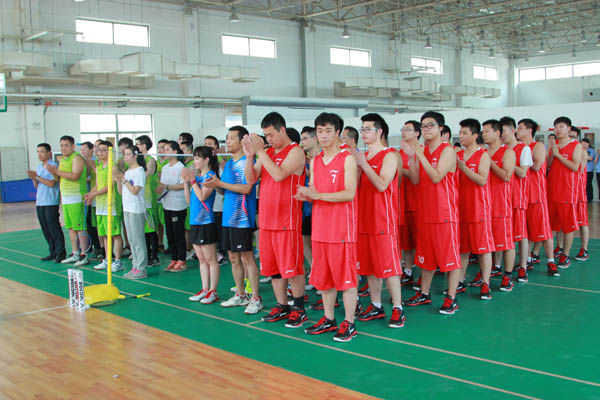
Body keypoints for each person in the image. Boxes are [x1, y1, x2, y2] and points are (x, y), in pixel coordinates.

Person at [296, 112, 359, 342]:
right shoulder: (315, 161)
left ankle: (349, 323)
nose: (323, 136)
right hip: (320, 228)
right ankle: (329, 318)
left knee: (346, 279)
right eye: (320, 131)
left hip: (342, 229)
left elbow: (349, 193)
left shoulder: (347, 158)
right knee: (325, 279)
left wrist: (318, 195)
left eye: (328, 131)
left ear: (337, 133)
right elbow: (315, 191)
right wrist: (307, 195)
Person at [243, 112, 307, 327]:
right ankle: (282, 305)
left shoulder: (295, 151)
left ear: (282, 130)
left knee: (292, 267)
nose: (268, 139)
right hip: (267, 221)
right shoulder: (268, 153)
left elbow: (279, 175)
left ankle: (299, 308)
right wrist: (250, 156)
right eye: (265, 136)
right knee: (274, 269)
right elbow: (250, 179)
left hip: (287, 221)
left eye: (271, 135)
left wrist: (261, 151)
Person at [403, 111, 461, 315]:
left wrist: (419, 154)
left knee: (449, 258)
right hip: (425, 212)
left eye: (430, 125)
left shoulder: (448, 151)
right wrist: (412, 158)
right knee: (425, 257)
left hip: (444, 213)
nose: (426, 129)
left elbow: (436, 177)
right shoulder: (423, 151)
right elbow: (416, 179)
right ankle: (424, 293)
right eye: (423, 126)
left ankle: (451, 298)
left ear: (440, 128)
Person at [352, 113, 405, 328]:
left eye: (368, 129)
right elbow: (357, 188)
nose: (364, 133)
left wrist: (364, 165)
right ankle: (376, 305)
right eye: (362, 129)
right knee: (370, 267)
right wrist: (358, 169)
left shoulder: (389, 155)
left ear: (379, 131)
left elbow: (383, 184)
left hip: (383, 220)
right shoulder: (363, 157)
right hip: (364, 220)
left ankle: (398, 308)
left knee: (389, 267)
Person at [204, 126, 262, 314]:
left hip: (242, 218)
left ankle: (256, 298)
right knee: (233, 257)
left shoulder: (248, 162)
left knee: (246, 257)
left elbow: (247, 188)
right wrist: (214, 184)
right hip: (228, 217)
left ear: (242, 140)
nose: (227, 142)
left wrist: (220, 183)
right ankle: (241, 294)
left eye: (231, 138)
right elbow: (225, 190)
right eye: (227, 138)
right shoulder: (229, 164)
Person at [455, 119, 494, 299]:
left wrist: (464, 168)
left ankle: (485, 283)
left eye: (465, 133)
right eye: (460, 133)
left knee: (483, 249)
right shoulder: (457, 154)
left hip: (478, 209)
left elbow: (482, 180)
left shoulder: (483, 155)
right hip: (460, 208)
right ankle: (460, 281)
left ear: (475, 135)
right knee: (462, 249)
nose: (461, 136)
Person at [517, 119, 558, 278]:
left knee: (543, 230)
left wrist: (518, 161)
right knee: (524, 232)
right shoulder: (517, 148)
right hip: (521, 195)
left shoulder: (538, 146)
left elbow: (536, 166)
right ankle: (526, 260)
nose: (517, 131)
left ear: (529, 131)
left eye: (520, 128)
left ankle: (551, 261)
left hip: (536, 194)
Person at [182, 146, 221, 304]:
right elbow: (189, 201)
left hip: (206, 222)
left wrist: (192, 181)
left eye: (197, 158)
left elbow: (203, 196)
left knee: (211, 259)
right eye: (194, 158)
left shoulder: (210, 176)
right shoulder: (197, 178)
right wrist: (186, 183)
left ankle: (213, 291)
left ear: (206, 160)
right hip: (194, 221)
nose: (195, 161)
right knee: (201, 259)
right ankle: (204, 289)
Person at [481, 119, 516, 297]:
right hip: (483, 205)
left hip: (501, 205)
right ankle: (485, 280)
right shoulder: (482, 152)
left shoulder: (507, 152)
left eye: (487, 131)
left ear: (497, 133)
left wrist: (490, 162)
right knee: (485, 246)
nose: (483, 134)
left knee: (506, 243)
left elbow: (506, 176)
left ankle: (507, 276)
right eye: (482, 131)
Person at [46, 135, 89, 267]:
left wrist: (57, 171)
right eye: (62, 146)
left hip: (76, 197)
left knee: (80, 227)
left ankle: (84, 254)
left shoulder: (77, 158)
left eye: (66, 145)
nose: (64, 148)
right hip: (66, 198)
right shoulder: (63, 160)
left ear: (72, 146)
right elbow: (59, 178)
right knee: (70, 227)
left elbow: (75, 175)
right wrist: (54, 173)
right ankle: (75, 252)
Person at [500, 116, 532, 290]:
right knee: (503, 235)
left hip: (517, 197)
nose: (501, 135)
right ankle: (498, 266)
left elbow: (523, 173)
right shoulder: (501, 150)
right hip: (502, 198)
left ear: (512, 131)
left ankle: (523, 267)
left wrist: (509, 163)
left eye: (503, 131)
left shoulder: (523, 149)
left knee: (521, 234)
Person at [547, 116, 582, 269]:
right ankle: (556, 249)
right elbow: (548, 165)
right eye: (555, 127)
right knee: (552, 225)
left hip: (567, 192)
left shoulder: (576, 146)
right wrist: (552, 152)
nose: (557, 130)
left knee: (568, 226)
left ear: (568, 129)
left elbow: (574, 167)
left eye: (561, 126)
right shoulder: (553, 145)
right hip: (552, 190)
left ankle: (565, 255)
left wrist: (558, 155)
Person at [86, 141, 125, 272]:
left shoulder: (113, 167)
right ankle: (108, 260)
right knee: (105, 235)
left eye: (104, 150)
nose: (100, 153)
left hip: (111, 205)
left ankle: (118, 261)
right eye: (99, 150)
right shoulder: (98, 168)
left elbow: (109, 187)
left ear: (110, 152)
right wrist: (90, 194)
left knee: (115, 234)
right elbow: (98, 185)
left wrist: (94, 194)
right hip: (100, 205)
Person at [27, 143, 66, 263]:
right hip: (40, 202)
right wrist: (33, 178)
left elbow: (51, 183)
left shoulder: (53, 165)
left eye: (42, 151)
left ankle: (61, 253)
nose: (39, 154)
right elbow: (37, 186)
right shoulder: (39, 166)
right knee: (46, 229)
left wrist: (37, 177)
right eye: (38, 152)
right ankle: (52, 251)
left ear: (49, 153)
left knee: (54, 228)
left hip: (50, 201)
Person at [115, 146, 148, 279]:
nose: (126, 157)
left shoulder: (139, 171)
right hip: (127, 208)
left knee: (138, 239)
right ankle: (135, 266)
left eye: (128, 154)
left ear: (135, 156)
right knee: (131, 239)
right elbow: (121, 192)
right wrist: (119, 181)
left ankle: (141, 268)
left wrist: (124, 180)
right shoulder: (128, 172)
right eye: (125, 155)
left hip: (136, 209)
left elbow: (135, 190)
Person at [157, 141, 188, 272]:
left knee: (178, 234)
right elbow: (163, 185)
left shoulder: (181, 167)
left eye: (167, 149)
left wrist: (167, 187)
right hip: (167, 204)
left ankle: (182, 260)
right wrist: (159, 188)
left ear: (175, 151)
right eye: (163, 149)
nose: (164, 151)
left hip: (178, 205)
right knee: (169, 233)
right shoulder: (165, 168)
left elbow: (183, 185)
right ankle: (174, 259)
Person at [398, 121, 420, 288]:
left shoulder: (422, 151)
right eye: (403, 129)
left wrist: (400, 170)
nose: (404, 132)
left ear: (417, 133)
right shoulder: (398, 153)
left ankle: (426, 271)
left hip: (418, 203)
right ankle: (408, 271)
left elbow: (417, 177)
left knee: (421, 242)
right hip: (402, 203)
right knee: (406, 243)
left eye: (408, 129)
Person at [299, 126, 320, 294]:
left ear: (315, 139)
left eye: (305, 138)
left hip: (320, 207)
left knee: (318, 244)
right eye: (301, 139)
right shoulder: (304, 158)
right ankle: (315, 274)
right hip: (305, 207)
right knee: (306, 240)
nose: (302, 142)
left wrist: (307, 171)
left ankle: (325, 279)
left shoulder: (323, 158)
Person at [135, 135, 160, 267]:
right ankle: (146, 254)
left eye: (138, 144)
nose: (136, 146)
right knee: (143, 230)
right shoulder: (137, 160)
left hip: (149, 198)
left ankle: (154, 256)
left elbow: (144, 175)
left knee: (151, 229)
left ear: (144, 146)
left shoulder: (150, 160)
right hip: (139, 200)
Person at [204, 135, 227, 265]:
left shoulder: (221, 164)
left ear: (216, 147)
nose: (207, 146)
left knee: (219, 229)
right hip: (207, 203)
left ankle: (221, 252)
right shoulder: (204, 165)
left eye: (210, 143)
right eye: (205, 143)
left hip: (219, 202)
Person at [156, 139, 170, 252]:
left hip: (167, 195)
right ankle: (160, 243)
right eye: (159, 147)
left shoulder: (168, 163)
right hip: (156, 195)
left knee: (167, 223)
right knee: (159, 222)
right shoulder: (157, 162)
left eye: (163, 148)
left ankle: (169, 244)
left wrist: (159, 175)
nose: (160, 150)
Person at [582, 137, 595, 203]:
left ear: (588, 144)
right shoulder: (579, 150)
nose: (583, 144)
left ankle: (589, 198)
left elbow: (590, 158)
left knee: (588, 184)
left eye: (585, 143)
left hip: (589, 170)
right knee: (582, 184)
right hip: (581, 170)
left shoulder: (591, 150)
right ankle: (583, 197)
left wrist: (584, 155)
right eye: (582, 143)